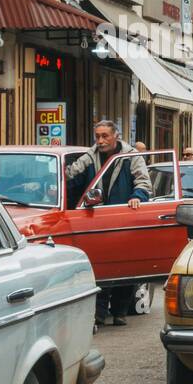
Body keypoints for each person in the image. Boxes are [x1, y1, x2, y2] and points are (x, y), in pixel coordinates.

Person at [67, 120, 153, 327]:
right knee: (99, 267)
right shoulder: (89, 156)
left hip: (123, 218)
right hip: (94, 220)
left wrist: (137, 197)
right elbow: (71, 177)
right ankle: (98, 313)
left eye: (105, 136)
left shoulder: (131, 156)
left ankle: (120, 312)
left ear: (116, 136)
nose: (100, 141)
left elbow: (143, 182)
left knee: (124, 267)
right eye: (97, 136)